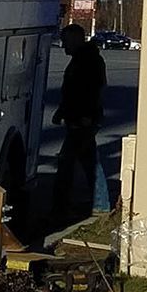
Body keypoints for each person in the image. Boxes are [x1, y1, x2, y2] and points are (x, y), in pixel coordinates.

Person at [53, 23, 110, 216]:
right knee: (89, 160)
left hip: (84, 119)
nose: (64, 46)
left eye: (66, 41)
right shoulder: (81, 59)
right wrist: (61, 112)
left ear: (77, 39)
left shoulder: (89, 61)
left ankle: (61, 206)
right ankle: (100, 203)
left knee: (68, 161)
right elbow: (70, 91)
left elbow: (92, 91)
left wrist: (87, 116)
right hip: (79, 117)